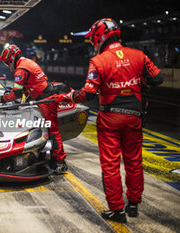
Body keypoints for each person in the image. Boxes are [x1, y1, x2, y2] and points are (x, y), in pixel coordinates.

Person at [47, 18, 164, 223]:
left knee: (110, 165)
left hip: (110, 118)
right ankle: (134, 204)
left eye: (93, 39)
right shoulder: (138, 55)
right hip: (134, 116)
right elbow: (158, 79)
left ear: (100, 37)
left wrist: (69, 96)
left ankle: (117, 211)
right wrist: (138, 84)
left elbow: (88, 94)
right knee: (134, 162)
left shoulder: (99, 61)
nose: (93, 43)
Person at [0, 44, 68, 174]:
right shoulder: (27, 62)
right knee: (49, 129)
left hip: (46, 100)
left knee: (53, 130)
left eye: (6, 62)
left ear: (11, 59)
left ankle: (60, 162)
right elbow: (28, 86)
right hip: (42, 97)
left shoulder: (21, 69)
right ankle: (53, 157)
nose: (7, 65)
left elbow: (15, 95)